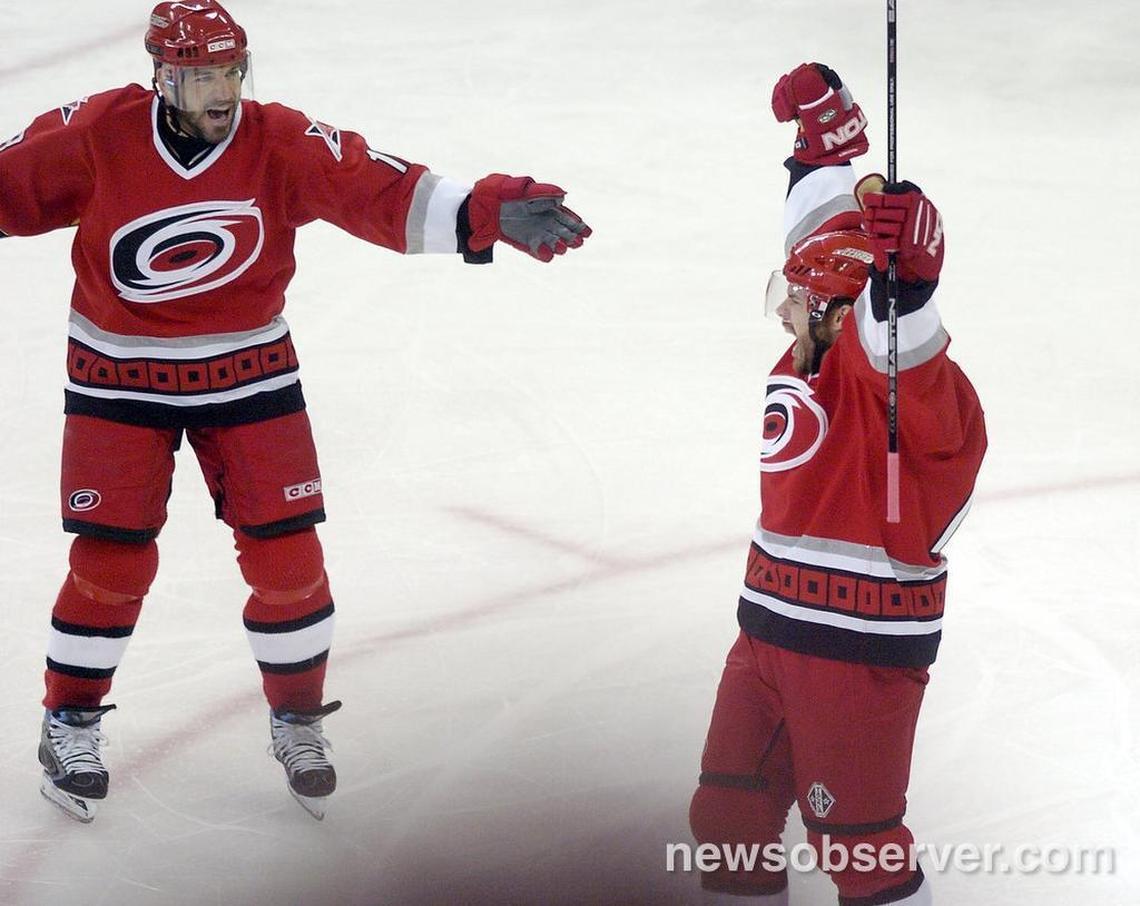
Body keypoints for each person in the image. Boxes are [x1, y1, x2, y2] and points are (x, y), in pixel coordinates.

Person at [0, 0, 590, 823]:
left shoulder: (277, 138)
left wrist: (486, 209)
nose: (223, 92)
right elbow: (8, 184)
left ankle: (297, 720)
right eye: (204, 75)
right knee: (114, 562)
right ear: (164, 75)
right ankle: (68, 718)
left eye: (232, 71)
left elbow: (382, 190)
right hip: (118, 377)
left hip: (250, 373)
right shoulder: (97, 133)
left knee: (290, 565)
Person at [688, 63, 986, 904]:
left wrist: (908, 290)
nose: (781, 307)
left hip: (857, 655)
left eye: (795, 296)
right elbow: (824, 246)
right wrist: (825, 150)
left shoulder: (881, 375)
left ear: (833, 307)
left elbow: (898, 342)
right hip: (769, 635)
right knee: (727, 821)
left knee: (858, 850)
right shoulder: (807, 352)